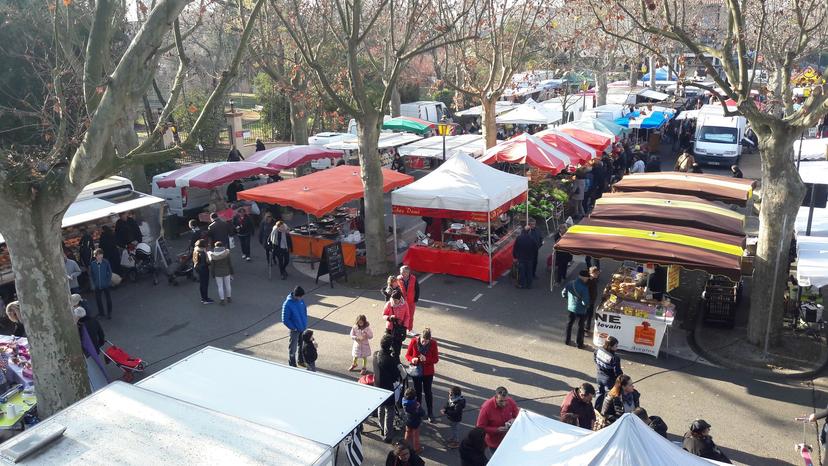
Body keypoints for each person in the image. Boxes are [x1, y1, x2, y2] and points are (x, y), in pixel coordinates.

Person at [72, 299, 109, 391]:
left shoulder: (78, 328)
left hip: (86, 354)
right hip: (95, 348)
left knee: (92, 373)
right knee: (98, 369)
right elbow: (101, 334)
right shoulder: (93, 320)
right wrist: (100, 343)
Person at [405, 327, 439, 422]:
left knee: (428, 392)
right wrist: (412, 359)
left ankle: (430, 413)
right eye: (423, 341)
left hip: (428, 372)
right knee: (418, 392)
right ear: (420, 337)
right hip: (416, 371)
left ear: (430, 339)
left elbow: (436, 359)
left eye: (426, 342)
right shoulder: (413, 341)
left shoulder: (433, 343)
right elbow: (407, 355)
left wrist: (426, 359)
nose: (424, 343)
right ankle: (418, 410)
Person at [476, 386, 519, 454]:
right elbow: (480, 427)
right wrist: (496, 430)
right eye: (501, 401)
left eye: (505, 400)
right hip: (495, 444)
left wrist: (514, 420)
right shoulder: (486, 408)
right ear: (495, 397)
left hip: (510, 440)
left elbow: (518, 415)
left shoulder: (510, 401)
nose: (504, 404)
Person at [374, 334, 400, 442]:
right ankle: (388, 434)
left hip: (377, 385)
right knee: (389, 410)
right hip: (387, 387)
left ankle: (382, 427)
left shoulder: (376, 355)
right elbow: (396, 375)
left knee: (381, 407)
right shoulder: (390, 359)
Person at [562, 270, 590, 348]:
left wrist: (570, 300)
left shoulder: (570, 283)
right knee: (581, 326)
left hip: (570, 307)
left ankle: (567, 340)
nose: (587, 279)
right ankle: (579, 344)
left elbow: (563, 294)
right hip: (581, 310)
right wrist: (587, 306)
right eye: (587, 278)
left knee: (569, 324)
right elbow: (585, 302)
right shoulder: (584, 288)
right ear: (584, 277)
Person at [282, 286, 308, 367]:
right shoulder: (287, 304)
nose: (302, 298)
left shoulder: (301, 300)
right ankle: (292, 362)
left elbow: (304, 311)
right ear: (297, 295)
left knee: (302, 345)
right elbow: (285, 319)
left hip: (302, 328)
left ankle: (301, 360)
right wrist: (294, 328)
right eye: (301, 296)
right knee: (293, 347)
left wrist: (305, 323)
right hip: (295, 330)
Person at [594, 336, 623, 410]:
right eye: (615, 346)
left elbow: (595, 359)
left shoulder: (598, 350)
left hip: (599, 376)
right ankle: (607, 412)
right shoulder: (614, 358)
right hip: (609, 380)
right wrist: (622, 379)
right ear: (610, 346)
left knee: (599, 393)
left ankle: (596, 410)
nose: (617, 348)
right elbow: (617, 372)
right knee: (610, 397)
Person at [383, 290, 410, 360]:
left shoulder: (405, 304)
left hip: (400, 328)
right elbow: (384, 315)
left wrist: (405, 327)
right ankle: (387, 359)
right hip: (390, 328)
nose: (394, 301)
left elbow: (407, 316)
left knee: (398, 345)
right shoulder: (389, 304)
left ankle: (396, 358)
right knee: (388, 344)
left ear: (400, 299)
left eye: (396, 300)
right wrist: (389, 318)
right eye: (393, 299)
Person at [89, 248, 114, 319]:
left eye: (101, 254)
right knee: (98, 300)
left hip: (105, 284)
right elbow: (91, 275)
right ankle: (101, 313)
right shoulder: (92, 264)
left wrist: (108, 281)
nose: (100, 256)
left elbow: (110, 272)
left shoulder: (106, 262)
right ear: (95, 256)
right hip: (97, 285)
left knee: (108, 299)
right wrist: (93, 284)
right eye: (98, 255)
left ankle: (109, 313)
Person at [402, 387, 426, 453]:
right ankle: (417, 448)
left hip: (407, 420)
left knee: (407, 432)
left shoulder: (404, 401)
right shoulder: (416, 404)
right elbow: (422, 413)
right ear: (415, 397)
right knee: (416, 435)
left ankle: (405, 445)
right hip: (415, 422)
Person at [398, 266, 419, 331]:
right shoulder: (398, 278)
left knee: (410, 316)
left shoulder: (413, 278)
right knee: (401, 316)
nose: (402, 273)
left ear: (408, 272)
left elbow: (417, 289)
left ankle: (409, 329)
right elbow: (396, 288)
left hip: (411, 301)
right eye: (401, 272)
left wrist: (415, 299)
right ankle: (402, 329)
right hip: (402, 301)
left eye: (404, 272)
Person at [192, 239, 213, 304]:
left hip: (199, 269)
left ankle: (203, 298)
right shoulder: (202, 253)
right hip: (204, 269)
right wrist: (210, 260)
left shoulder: (195, 250)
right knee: (205, 284)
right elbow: (206, 262)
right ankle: (205, 299)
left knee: (202, 284)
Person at [585, 266, 600, 331]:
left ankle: (587, 327)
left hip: (591, 300)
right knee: (588, 314)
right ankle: (586, 328)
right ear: (592, 273)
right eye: (596, 273)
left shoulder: (593, 279)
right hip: (589, 301)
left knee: (589, 314)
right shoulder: (588, 281)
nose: (597, 274)